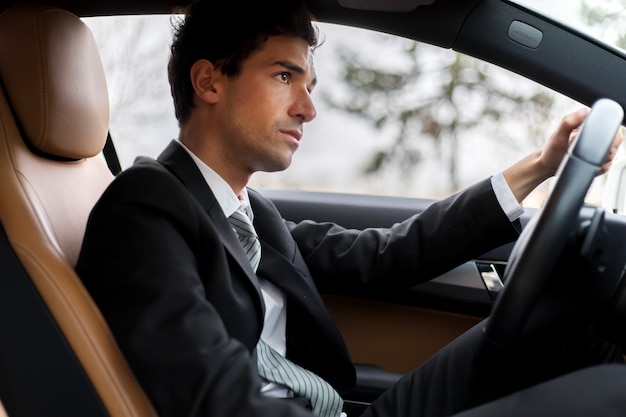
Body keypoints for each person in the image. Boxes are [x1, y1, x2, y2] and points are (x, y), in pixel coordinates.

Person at [75, 0, 626, 416]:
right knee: (607, 395)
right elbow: (211, 389)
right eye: (284, 76)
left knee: (565, 330)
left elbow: (386, 256)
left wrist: (540, 164)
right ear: (209, 81)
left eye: (308, 83)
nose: (308, 108)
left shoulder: (250, 212)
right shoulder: (142, 208)